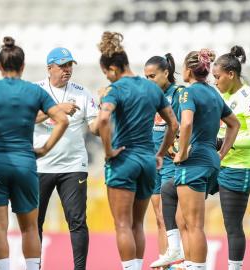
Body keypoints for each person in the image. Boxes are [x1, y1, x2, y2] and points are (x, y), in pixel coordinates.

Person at [0, 37, 69, 270]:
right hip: (24, 163)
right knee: (29, 228)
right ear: (23, 66)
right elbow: (62, 119)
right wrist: (44, 149)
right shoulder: (34, 91)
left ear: (0, 66)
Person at [97, 31, 179, 270]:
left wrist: (108, 150)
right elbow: (173, 124)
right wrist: (161, 153)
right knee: (138, 224)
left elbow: (103, 120)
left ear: (112, 69)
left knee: (122, 224)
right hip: (148, 161)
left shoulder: (116, 89)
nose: (108, 78)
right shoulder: (152, 88)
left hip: (124, 160)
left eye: (106, 74)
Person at [173, 49, 240, 270]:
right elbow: (234, 124)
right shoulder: (213, 93)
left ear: (188, 70)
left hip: (194, 161)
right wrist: (221, 153)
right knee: (182, 219)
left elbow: (186, 123)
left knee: (194, 225)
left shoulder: (187, 92)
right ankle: (189, 264)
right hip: (210, 159)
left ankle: (196, 267)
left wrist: (181, 152)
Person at [33, 47, 99, 270]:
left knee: (77, 221)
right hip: (40, 165)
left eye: (70, 65)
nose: (67, 70)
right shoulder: (35, 91)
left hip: (73, 165)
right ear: (49, 68)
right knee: (34, 222)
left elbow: (94, 128)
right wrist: (58, 109)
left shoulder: (82, 93)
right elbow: (28, 118)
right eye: (62, 65)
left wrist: (106, 113)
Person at [212, 46, 250, 270]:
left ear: (231, 74)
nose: (215, 82)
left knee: (232, 225)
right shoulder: (222, 95)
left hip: (239, 168)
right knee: (173, 193)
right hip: (217, 164)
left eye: (217, 77)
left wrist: (222, 143)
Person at [143, 54, 186, 268]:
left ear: (166, 73)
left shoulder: (178, 95)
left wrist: (174, 145)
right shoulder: (148, 97)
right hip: (152, 162)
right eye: (146, 76)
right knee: (159, 216)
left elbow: (184, 125)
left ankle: (181, 260)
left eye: (152, 76)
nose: (149, 80)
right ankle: (165, 261)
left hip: (170, 161)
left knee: (173, 215)